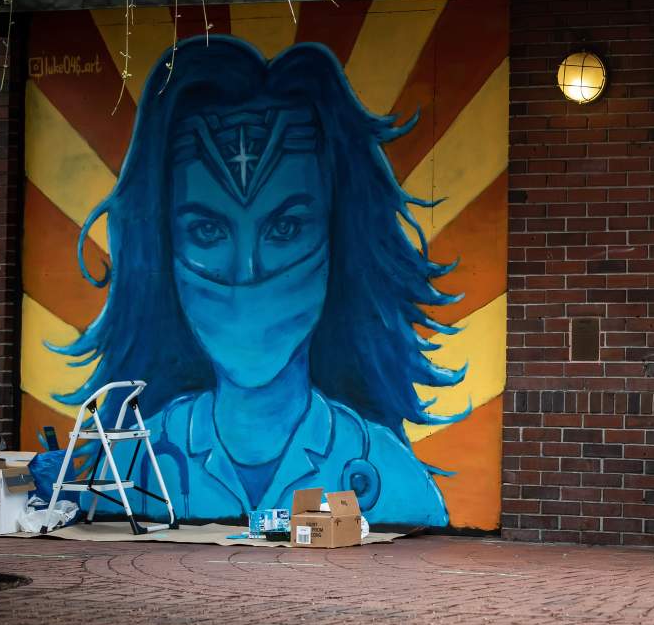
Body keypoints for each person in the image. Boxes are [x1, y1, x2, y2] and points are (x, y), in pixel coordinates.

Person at [54, 36, 464, 527]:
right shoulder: (131, 466)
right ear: (161, 247)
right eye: (207, 230)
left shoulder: (394, 482)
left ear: (339, 240)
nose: (247, 273)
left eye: (286, 227)